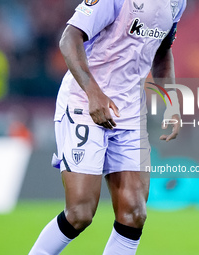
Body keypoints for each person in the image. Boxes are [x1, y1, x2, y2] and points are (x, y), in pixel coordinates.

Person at [29, 0, 186, 254]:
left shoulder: (177, 2)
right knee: (79, 213)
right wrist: (93, 94)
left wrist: (171, 102)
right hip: (85, 102)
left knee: (134, 213)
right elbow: (69, 39)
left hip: (130, 111)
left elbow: (163, 51)